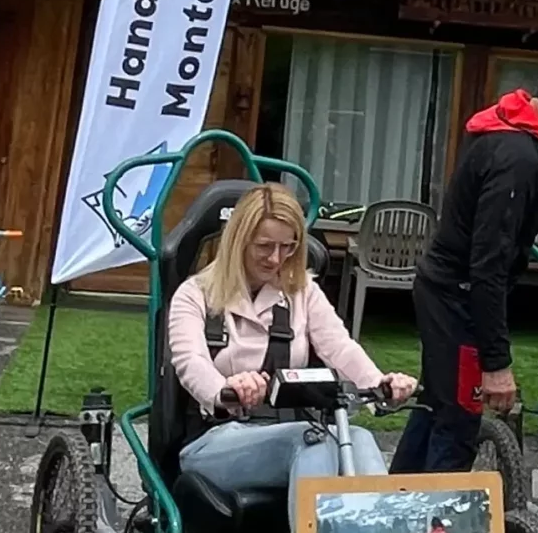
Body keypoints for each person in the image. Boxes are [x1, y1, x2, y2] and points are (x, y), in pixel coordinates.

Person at [391, 60, 538, 475]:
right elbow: (487, 262)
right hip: (458, 295)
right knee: (458, 418)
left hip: (447, 289)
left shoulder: (507, 137)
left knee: (436, 406)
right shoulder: (517, 158)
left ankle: (392, 507)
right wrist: (496, 363)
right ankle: (440, 529)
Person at [167, 183, 416, 515]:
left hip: (292, 430)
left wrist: (380, 384)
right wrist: (224, 390)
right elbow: (191, 362)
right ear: (239, 241)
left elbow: (340, 348)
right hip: (214, 440)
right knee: (313, 439)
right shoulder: (195, 294)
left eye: (287, 247)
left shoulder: (302, 291)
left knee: (358, 439)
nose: (276, 258)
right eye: (265, 246)